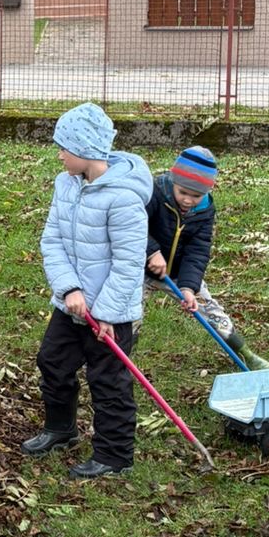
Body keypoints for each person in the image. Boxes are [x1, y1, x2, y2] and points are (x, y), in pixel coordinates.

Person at [26, 102, 155, 481]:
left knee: (108, 381)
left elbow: (129, 263)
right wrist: (69, 289)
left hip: (111, 313)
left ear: (85, 149)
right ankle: (61, 429)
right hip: (72, 306)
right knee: (52, 361)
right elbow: (52, 240)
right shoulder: (65, 184)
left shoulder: (124, 198)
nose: (60, 155)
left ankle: (115, 455)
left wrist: (109, 314)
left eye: (64, 147)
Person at [143, 145, 247, 351]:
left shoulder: (204, 210)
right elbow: (132, 226)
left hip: (177, 274)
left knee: (211, 311)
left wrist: (188, 287)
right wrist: (152, 252)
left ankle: (242, 351)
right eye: (183, 192)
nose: (188, 200)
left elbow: (198, 251)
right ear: (173, 181)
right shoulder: (154, 194)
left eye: (196, 195)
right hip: (139, 269)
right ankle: (119, 355)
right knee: (126, 314)